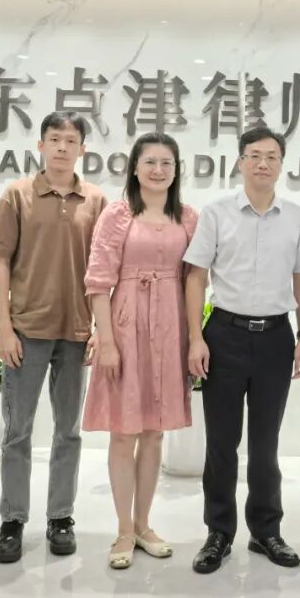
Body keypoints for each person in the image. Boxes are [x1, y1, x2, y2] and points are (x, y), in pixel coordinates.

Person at [183, 126, 300, 574]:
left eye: (272, 156)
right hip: (224, 334)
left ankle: (265, 530)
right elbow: (196, 277)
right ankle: (218, 532)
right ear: (240, 162)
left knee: (266, 443)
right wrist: (196, 337)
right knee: (222, 443)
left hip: (277, 338)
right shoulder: (217, 213)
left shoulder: (296, 217)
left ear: (281, 165)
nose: (263, 163)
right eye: (254, 155)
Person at [0, 112, 107, 563]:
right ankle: (13, 520)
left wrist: (100, 329)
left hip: (75, 332)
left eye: (70, 140)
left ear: (82, 150)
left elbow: (104, 271)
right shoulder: (17, 194)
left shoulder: (96, 200)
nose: (61, 147)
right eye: (54, 139)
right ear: (40, 145)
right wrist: (5, 327)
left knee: (68, 432)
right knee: (17, 431)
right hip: (26, 331)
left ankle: (61, 517)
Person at [81, 132, 198, 570]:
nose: (158, 170)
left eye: (167, 163)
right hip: (126, 325)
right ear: (134, 167)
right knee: (123, 431)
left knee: (154, 432)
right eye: (150, 161)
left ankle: (144, 524)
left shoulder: (188, 217)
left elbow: (195, 279)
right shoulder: (117, 214)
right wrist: (107, 339)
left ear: (176, 170)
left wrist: (194, 337)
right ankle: (123, 530)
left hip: (170, 327)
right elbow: (98, 282)